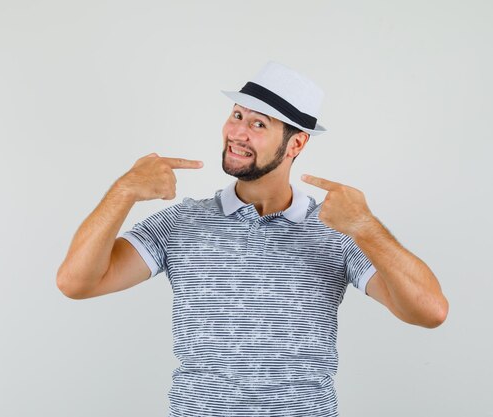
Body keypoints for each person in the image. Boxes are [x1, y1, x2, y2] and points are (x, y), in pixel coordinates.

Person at [56, 61, 449, 417]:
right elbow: (76, 282)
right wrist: (124, 191)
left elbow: (430, 311)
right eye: (237, 115)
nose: (238, 133)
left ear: (296, 144)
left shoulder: (337, 230)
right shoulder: (182, 221)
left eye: (259, 124)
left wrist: (365, 227)